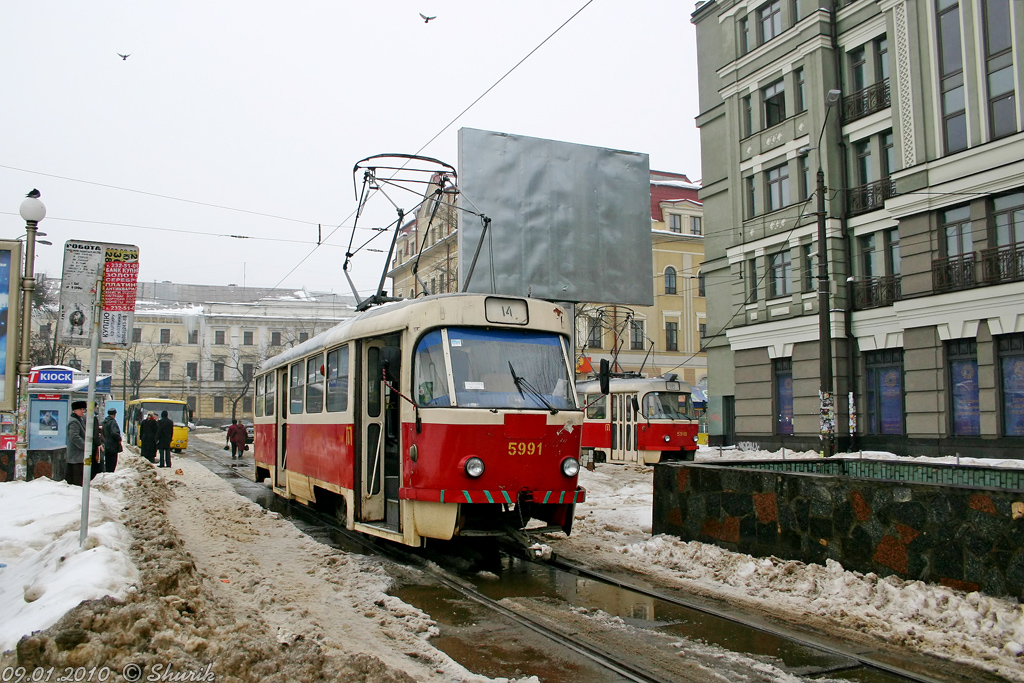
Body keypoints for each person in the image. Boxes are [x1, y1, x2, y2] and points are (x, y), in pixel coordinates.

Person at [65, 400, 87, 486]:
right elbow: (74, 437)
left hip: (77, 456)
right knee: (76, 480)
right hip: (76, 457)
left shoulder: (79, 420)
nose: (83, 411)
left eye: (83, 409)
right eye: (81, 409)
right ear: (74, 410)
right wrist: (85, 446)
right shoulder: (74, 421)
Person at [102, 408, 123, 472]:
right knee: (112, 463)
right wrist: (119, 438)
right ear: (114, 414)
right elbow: (114, 433)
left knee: (108, 462)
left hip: (106, 445)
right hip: (112, 446)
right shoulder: (112, 422)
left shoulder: (105, 422)